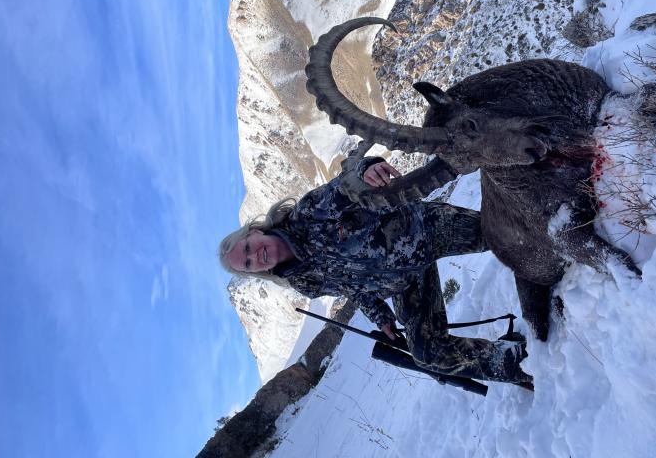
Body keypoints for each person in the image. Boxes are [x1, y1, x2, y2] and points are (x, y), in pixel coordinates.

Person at [219, 156, 531, 385]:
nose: (254, 256)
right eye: (247, 264)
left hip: (425, 229)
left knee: (512, 236)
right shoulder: (305, 282)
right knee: (428, 353)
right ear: (255, 273)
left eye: (247, 247)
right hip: (407, 283)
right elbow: (354, 288)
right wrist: (381, 318)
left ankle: (564, 237)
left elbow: (347, 185)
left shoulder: (308, 214)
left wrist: (367, 170)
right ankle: (517, 362)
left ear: (254, 231)